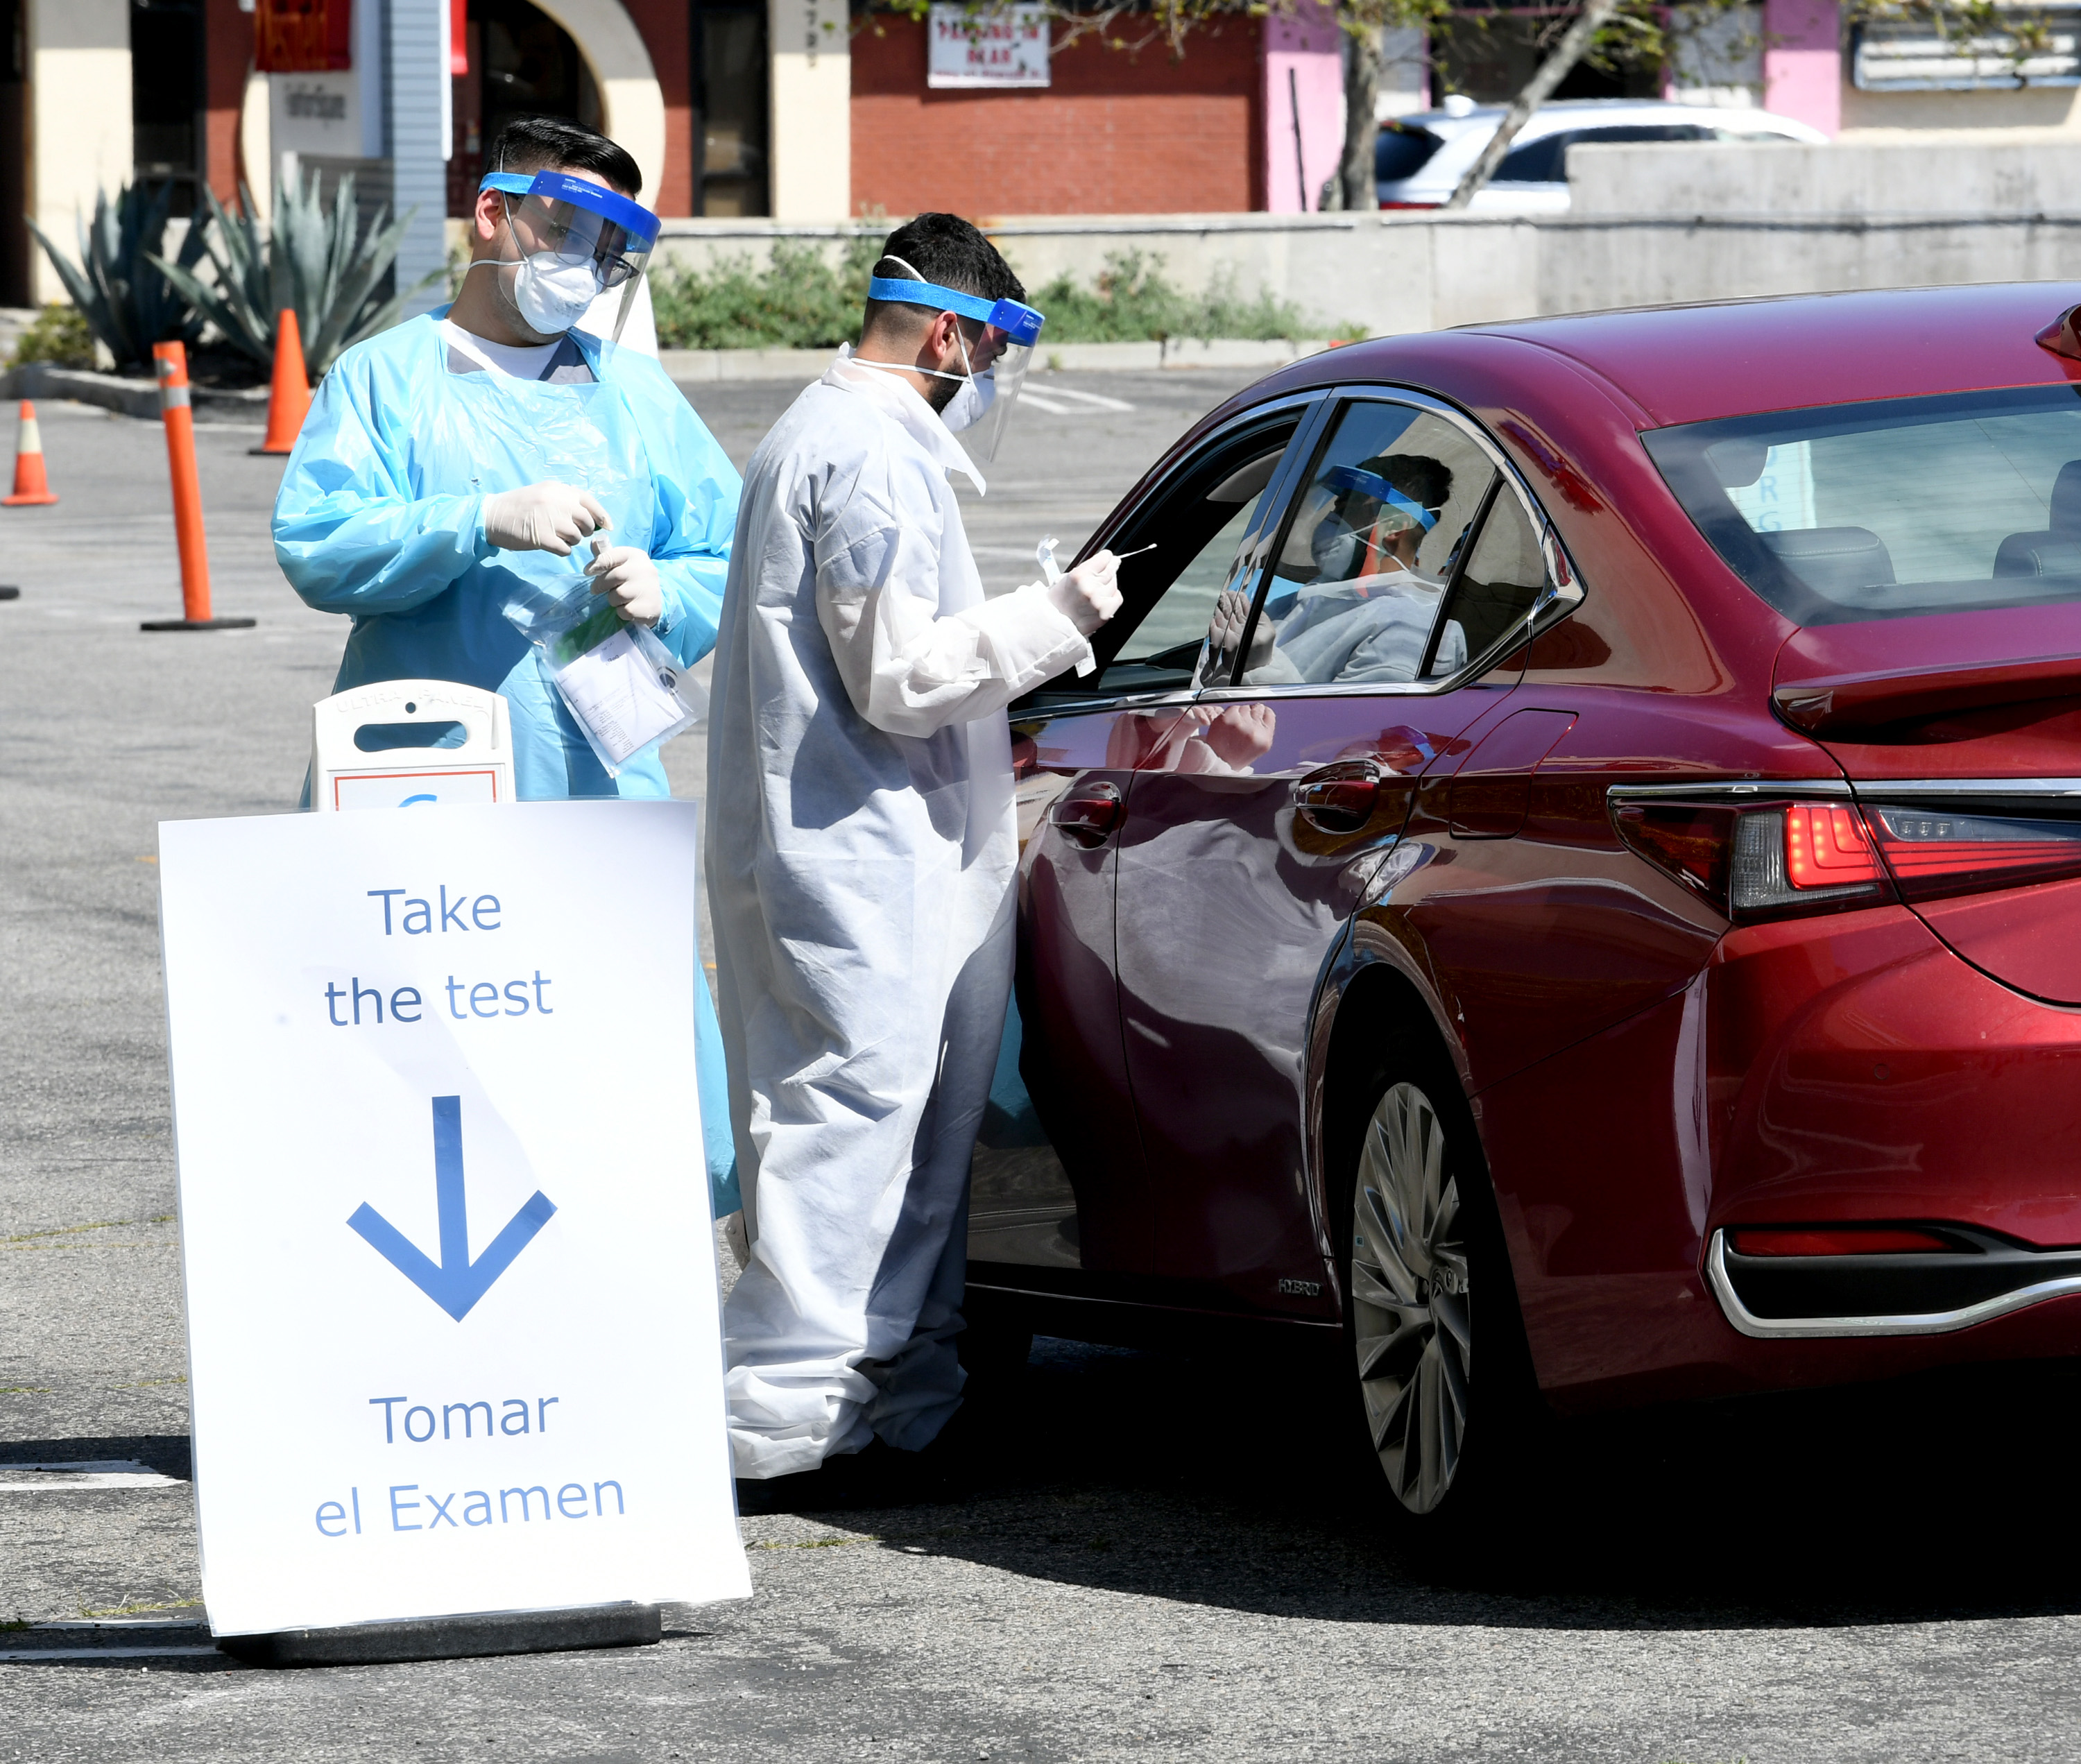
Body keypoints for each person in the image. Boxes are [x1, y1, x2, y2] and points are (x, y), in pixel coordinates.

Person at [708, 213, 1123, 1481]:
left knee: (910, 1135)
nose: (986, 379)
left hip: (886, 851)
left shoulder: (839, 437)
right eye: (989, 350)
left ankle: (895, 1408)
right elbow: (899, 674)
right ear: (947, 328)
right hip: (857, 858)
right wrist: (1058, 618)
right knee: (848, 1129)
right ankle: (782, 1425)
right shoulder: (866, 458)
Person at [273, 115, 744, 1219]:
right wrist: (478, 518)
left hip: (596, 774)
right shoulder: (385, 379)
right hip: (421, 781)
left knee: (603, 1046)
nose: (582, 264)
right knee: (426, 1056)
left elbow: (734, 545)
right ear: (494, 213)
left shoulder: (635, 396)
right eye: (565, 227)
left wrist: (672, 591)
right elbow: (320, 544)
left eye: (607, 247)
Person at [1213, 452, 1468, 687]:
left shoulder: (1413, 630)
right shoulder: (1299, 601)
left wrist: (1257, 668)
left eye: (1345, 509)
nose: (1330, 522)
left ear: (1395, 527)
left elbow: (1353, 729)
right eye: (1336, 507)